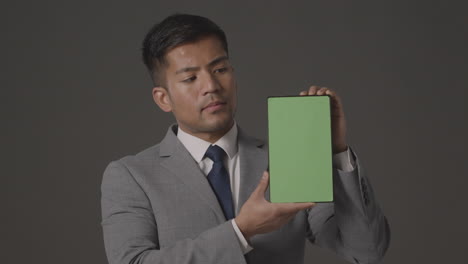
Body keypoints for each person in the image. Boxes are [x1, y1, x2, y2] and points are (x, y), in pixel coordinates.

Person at [100, 13, 390, 264]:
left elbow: (366, 251)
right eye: (191, 79)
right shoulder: (131, 176)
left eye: (220, 70)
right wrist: (240, 231)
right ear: (163, 98)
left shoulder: (285, 160)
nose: (211, 86)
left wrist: (337, 152)